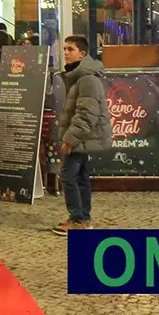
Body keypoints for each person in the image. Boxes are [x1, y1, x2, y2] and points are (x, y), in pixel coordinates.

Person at [53, 35, 111, 236]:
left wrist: (70, 139)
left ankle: (79, 219)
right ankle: (83, 218)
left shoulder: (86, 79)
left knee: (68, 176)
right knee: (79, 177)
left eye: (71, 49)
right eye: (65, 49)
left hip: (80, 138)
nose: (66, 53)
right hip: (82, 138)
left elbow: (86, 115)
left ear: (82, 53)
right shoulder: (79, 76)